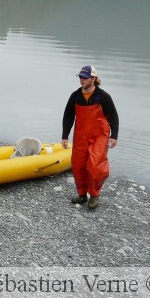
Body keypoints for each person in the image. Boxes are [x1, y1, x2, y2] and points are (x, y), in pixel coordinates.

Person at [62, 65, 119, 210]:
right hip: (81, 135)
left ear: (93, 79)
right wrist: (65, 136)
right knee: (78, 165)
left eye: (85, 78)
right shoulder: (76, 96)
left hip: (99, 135)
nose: (82, 80)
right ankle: (82, 194)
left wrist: (114, 136)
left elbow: (113, 116)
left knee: (95, 166)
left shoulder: (103, 96)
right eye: (80, 77)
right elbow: (68, 115)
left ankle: (94, 195)